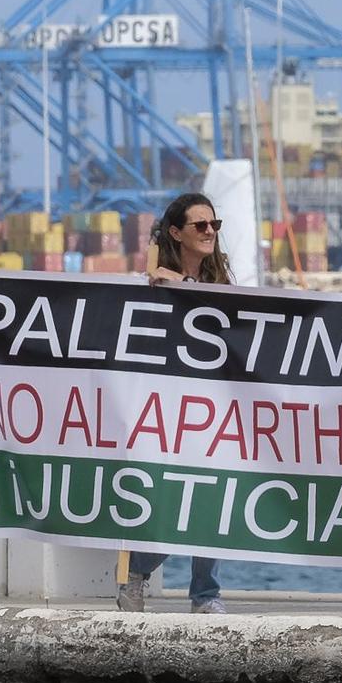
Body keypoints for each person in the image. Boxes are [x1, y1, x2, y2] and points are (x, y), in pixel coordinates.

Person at [118, 192, 230, 614]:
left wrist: (184, 285)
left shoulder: (220, 281)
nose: (209, 233)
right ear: (177, 233)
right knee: (176, 501)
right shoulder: (152, 279)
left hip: (213, 406)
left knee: (217, 498)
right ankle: (138, 570)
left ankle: (205, 594)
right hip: (166, 409)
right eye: (200, 225)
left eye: (213, 225)